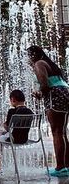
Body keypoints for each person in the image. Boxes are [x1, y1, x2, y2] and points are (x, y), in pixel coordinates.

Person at [28, 46, 69, 177]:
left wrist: (39, 94)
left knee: (56, 132)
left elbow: (44, 85)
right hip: (65, 93)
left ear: (33, 56)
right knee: (62, 132)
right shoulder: (50, 64)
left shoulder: (39, 63)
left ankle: (60, 167)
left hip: (55, 95)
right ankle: (66, 165)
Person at [0, 89, 34, 172]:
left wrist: (4, 126)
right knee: (0, 135)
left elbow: (8, 127)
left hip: (13, 139)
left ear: (13, 99)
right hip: (24, 139)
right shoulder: (30, 112)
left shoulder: (12, 111)